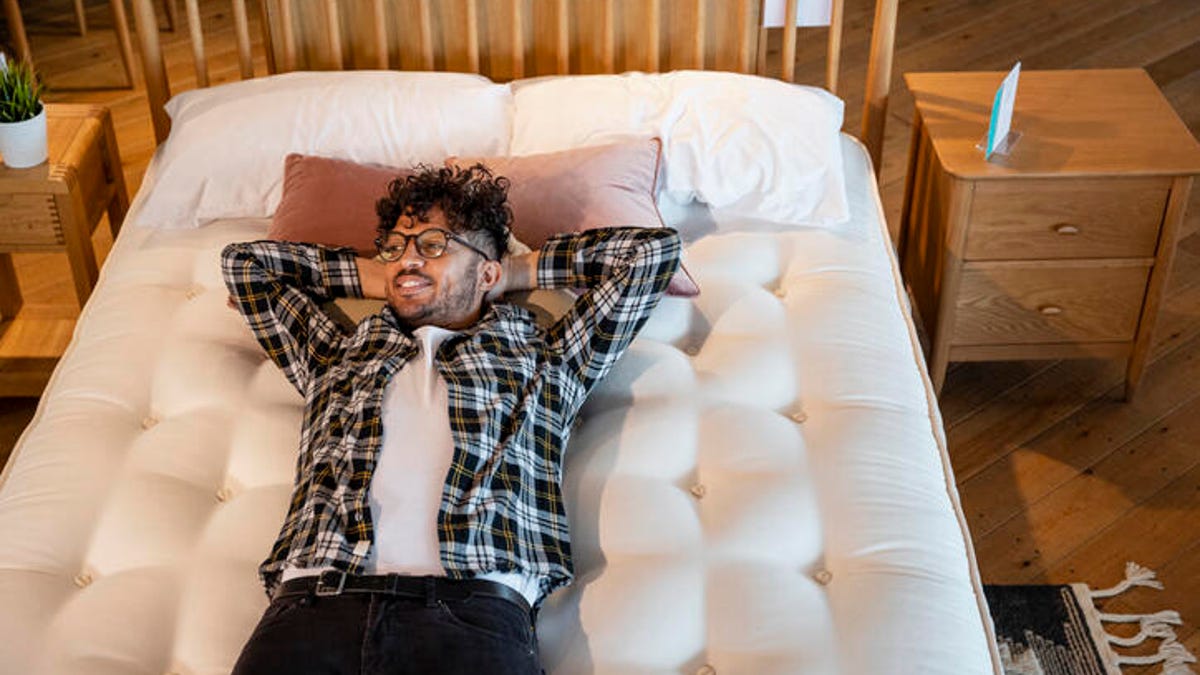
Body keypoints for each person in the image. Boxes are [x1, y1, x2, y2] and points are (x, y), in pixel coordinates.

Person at [222, 163, 681, 674]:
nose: (406, 260)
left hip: (472, 615)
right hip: (313, 606)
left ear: (486, 271)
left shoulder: (546, 358)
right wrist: (386, 274)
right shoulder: (336, 352)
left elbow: (651, 254)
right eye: (395, 247)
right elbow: (246, 265)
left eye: (434, 245)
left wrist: (511, 272)